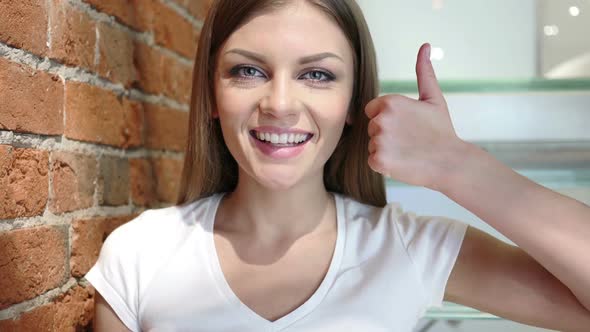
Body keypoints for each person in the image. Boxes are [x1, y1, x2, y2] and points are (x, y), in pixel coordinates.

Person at [85, 0, 590, 331]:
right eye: (247, 70)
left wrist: (456, 165)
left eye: (317, 74)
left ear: (353, 103)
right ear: (213, 94)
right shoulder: (139, 256)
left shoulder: (406, 248)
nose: (279, 103)